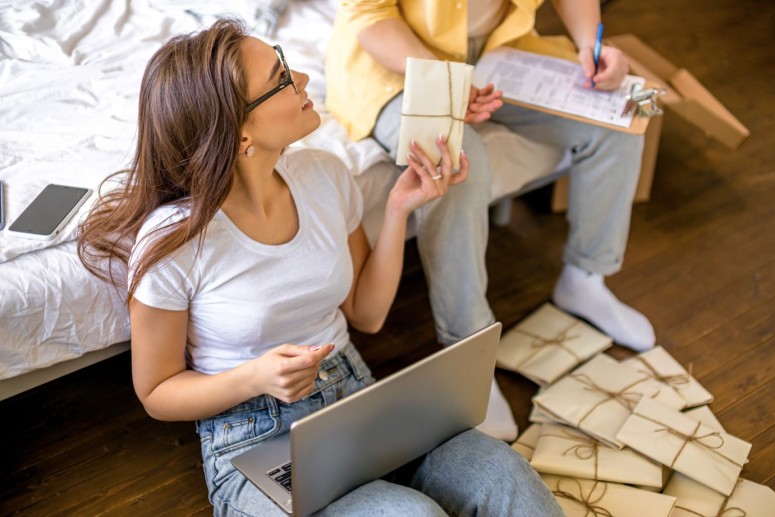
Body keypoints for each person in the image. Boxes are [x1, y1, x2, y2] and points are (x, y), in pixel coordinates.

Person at [77, 18, 563, 517]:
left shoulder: (325, 175)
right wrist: (256, 377)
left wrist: (398, 209)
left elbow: (367, 315)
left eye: (286, 63)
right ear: (240, 131)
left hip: (356, 400)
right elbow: (157, 393)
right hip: (252, 441)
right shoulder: (175, 239)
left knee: (505, 474)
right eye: (281, 79)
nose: (303, 79)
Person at [326, 0, 656, 441]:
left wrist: (590, 44)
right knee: (460, 162)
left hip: (500, 52)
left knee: (622, 117)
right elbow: (369, 15)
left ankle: (585, 278)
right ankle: (468, 348)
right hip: (398, 63)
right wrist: (446, 82)